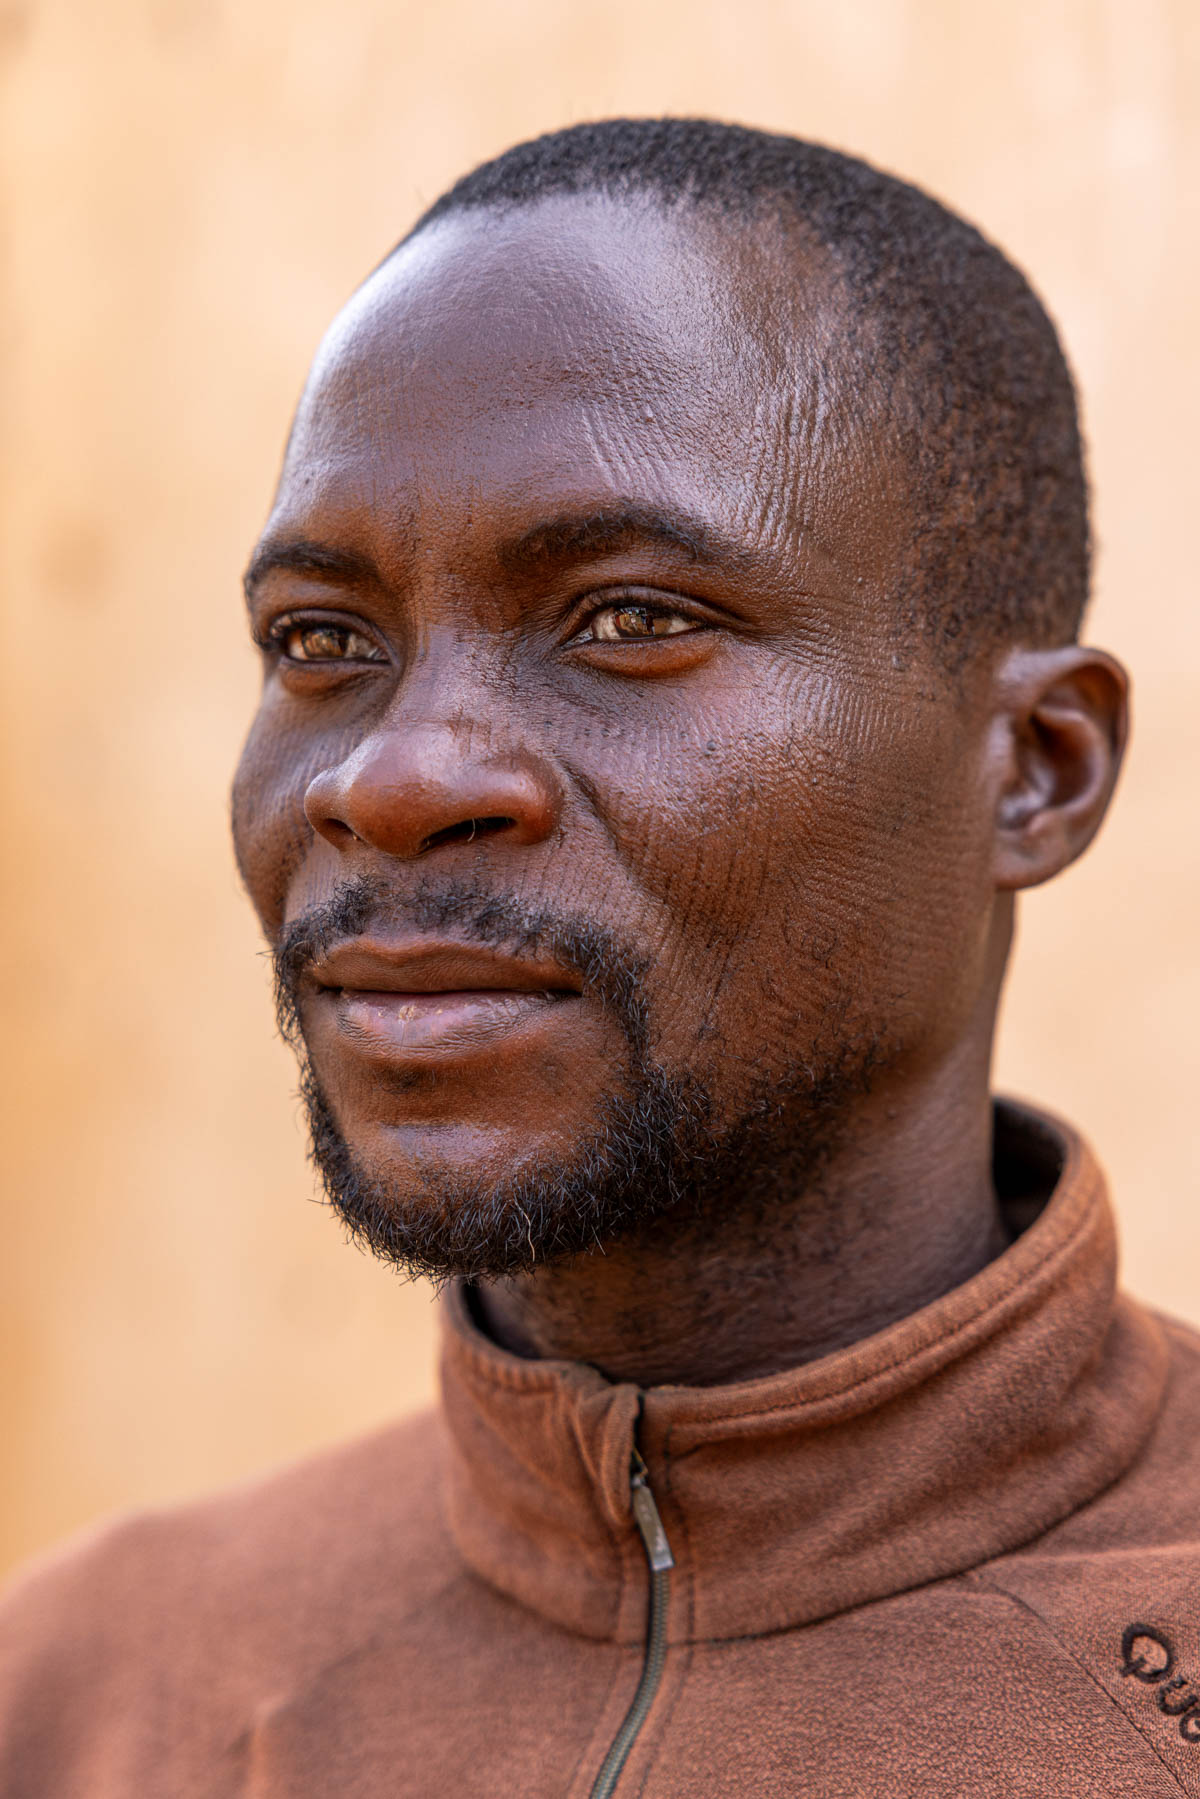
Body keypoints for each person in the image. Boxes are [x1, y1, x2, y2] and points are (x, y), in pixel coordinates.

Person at [0, 116, 1196, 1798]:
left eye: (631, 617)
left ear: (1038, 770)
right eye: (323, 642)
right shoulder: (84, 1696)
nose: (396, 777)